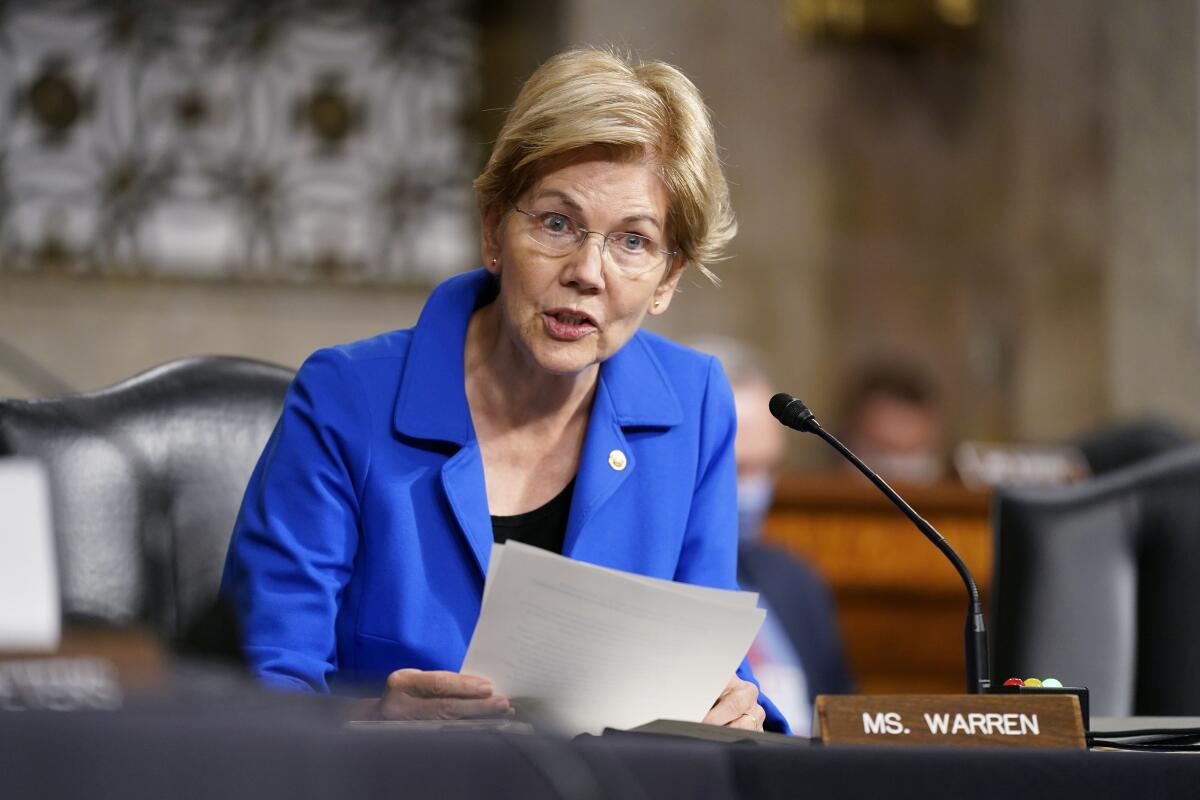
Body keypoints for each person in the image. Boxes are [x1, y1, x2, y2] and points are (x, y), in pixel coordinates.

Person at [221, 47, 787, 733]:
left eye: (634, 242)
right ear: (494, 229)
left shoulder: (694, 404)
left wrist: (738, 710)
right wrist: (369, 724)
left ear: (668, 280)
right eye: (556, 223)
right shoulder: (348, 396)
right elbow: (258, 684)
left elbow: (714, 657)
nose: (587, 271)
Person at [693, 337, 853, 736]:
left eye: (769, 468)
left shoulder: (795, 581)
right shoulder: (651, 575)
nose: (756, 490)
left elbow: (848, 726)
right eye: (740, 467)